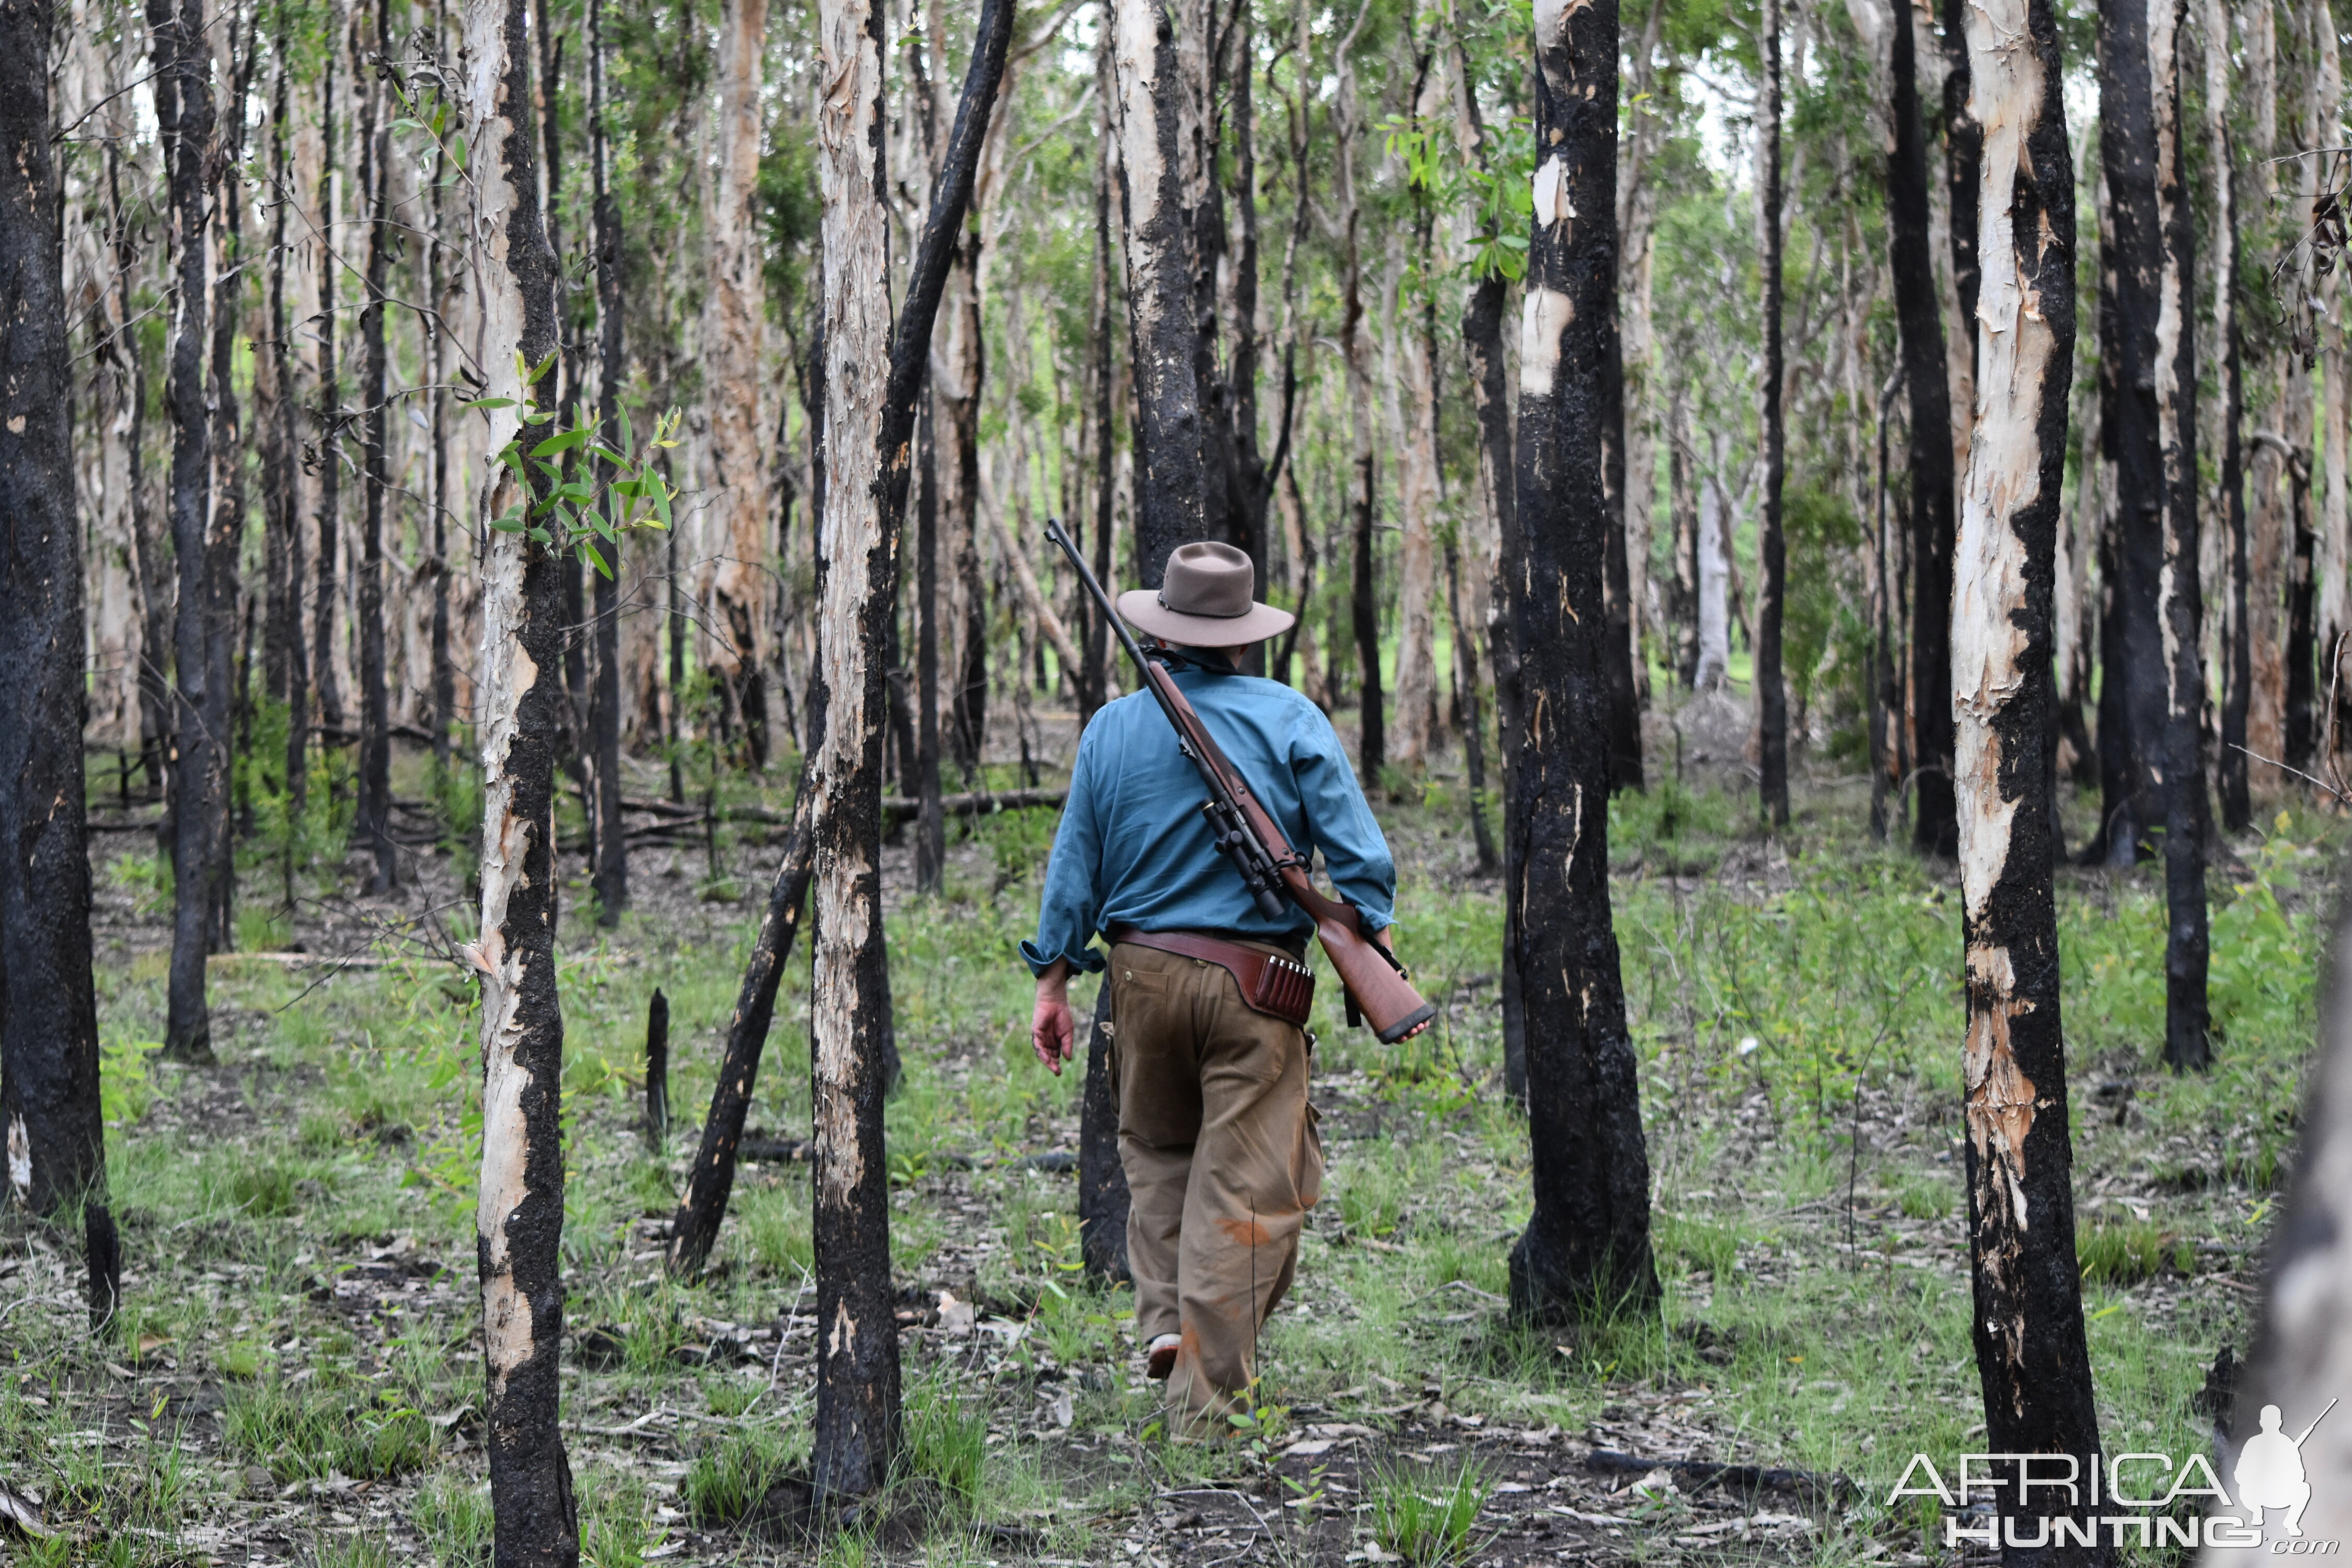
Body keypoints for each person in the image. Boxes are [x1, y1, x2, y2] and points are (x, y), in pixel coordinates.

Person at [1022, 540, 1399, 1429]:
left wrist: (1052, 982)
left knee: (1157, 1159)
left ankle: (1166, 1322)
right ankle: (1206, 1415)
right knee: (1249, 1196)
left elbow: (1074, 866)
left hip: (1140, 981)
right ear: (1242, 637)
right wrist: (1365, 930)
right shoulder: (1292, 718)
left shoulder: (1112, 727)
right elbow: (1362, 865)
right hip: (1256, 987)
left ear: (1166, 626)